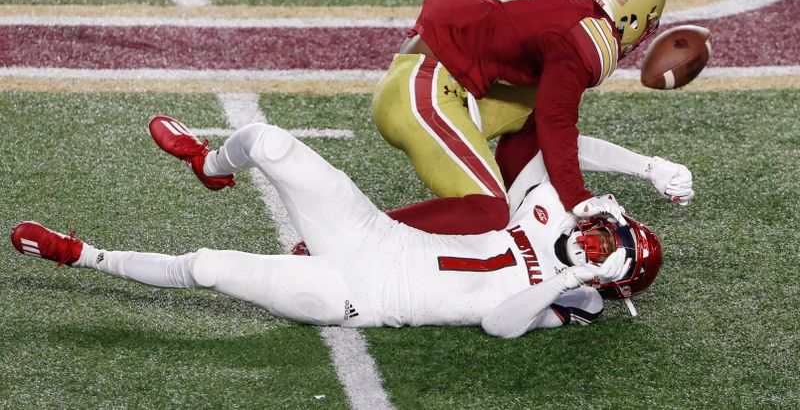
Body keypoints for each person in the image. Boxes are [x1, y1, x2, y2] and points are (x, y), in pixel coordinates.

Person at [11, 115, 675, 338]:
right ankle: (207, 160)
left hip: (362, 298)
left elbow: (500, 323)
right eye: (613, 230)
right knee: (268, 142)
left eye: (612, 251)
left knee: (210, 266)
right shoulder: (554, 207)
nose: (599, 237)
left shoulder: (572, 299)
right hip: (371, 235)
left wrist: (575, 277)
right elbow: (565, 141)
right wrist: (648, 165)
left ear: (613, 282)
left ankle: (83, 255)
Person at [371, 0, 669, 234]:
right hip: (423, 93)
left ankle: (513, 211)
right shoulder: (588, 31)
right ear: (632, 11)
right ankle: (369, 234)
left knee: (532, 110)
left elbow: (544, 120)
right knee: (487, 211)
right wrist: (576, 198)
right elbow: (558, 122)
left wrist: (646, 166)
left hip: (417, 80)